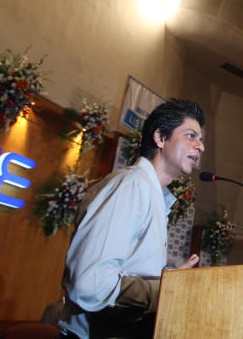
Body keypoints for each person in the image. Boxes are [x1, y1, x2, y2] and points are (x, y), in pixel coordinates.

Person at [57, 99, 207, 338]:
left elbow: (131, 269)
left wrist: (168, 278)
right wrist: (165, 290)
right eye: (191, 136)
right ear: (160, 137)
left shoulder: (155, 195)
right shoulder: (132, 185)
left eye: (201, 140)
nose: (200, 147)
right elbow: (90, 284)